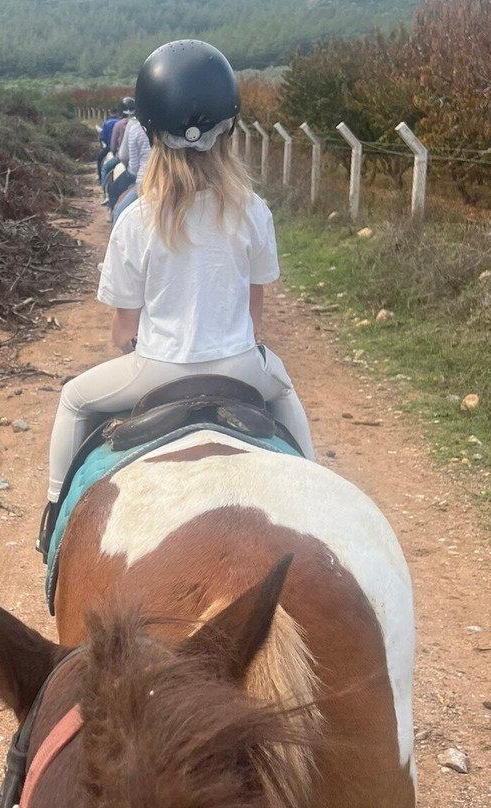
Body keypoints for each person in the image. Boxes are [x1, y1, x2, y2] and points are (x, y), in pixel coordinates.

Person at [41, 39, 316, 539]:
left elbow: (123, 332)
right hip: (240, 365)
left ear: (150, 129)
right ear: (229, 130)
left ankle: (54, 517)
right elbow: (255, 318)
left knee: (74, 400)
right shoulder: (253, 211)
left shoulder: (136, 220)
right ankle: (315, 503)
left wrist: (145, 345)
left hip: (158, 370)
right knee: (288, 391)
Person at [97, 105, 121, 184]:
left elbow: (103, 137)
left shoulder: (107, 123)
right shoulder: (121, 122)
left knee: (99, 160)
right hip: (121, 148)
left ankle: (101, 181)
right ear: (117, 113)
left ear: (110, 113)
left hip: (109, 147)